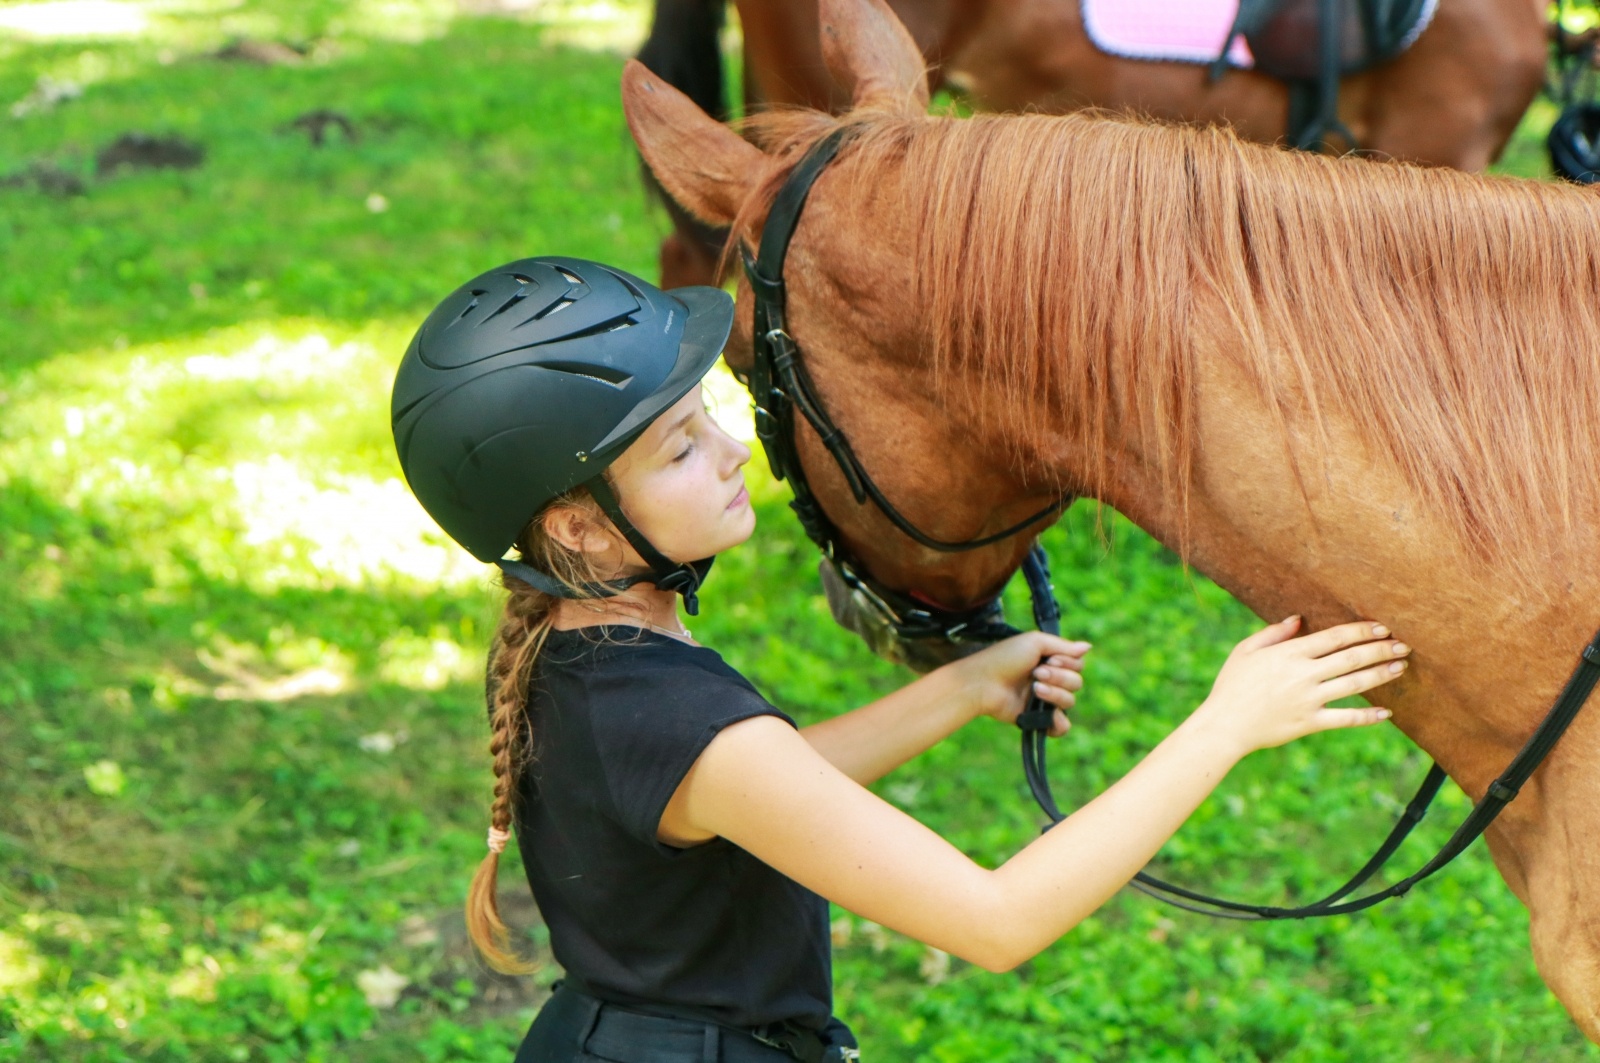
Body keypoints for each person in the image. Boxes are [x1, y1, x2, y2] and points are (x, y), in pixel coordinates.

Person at [391, 256, 1408, 1063]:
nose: (730, 447)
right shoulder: (661, 709)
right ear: (581, 527)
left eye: (706, 413)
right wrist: (1225, 722)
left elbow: (753, 794)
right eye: (677, 449)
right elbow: (997, 920)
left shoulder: (583, 648)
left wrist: (963, 686)